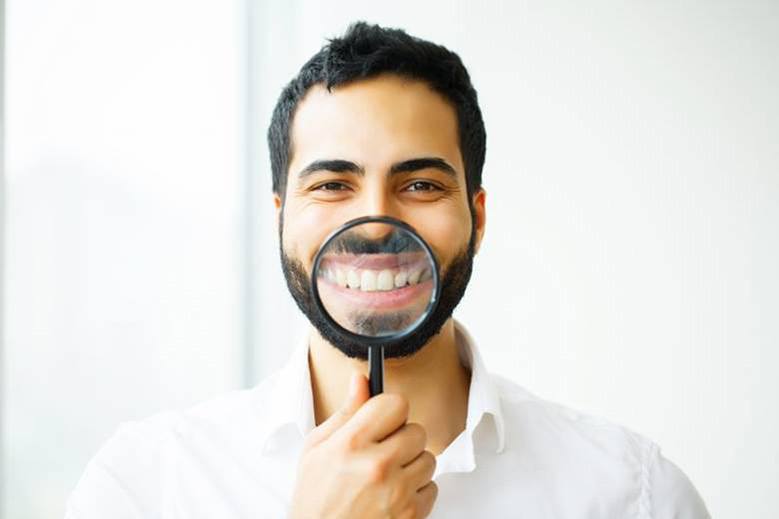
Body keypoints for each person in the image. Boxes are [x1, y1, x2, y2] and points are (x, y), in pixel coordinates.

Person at [65, 21, 711, 518]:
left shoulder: (634, 496)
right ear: (279, 217)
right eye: (332, 185)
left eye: (421, 184)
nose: (375, 222)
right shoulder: (145, 486)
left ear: (477, 217)